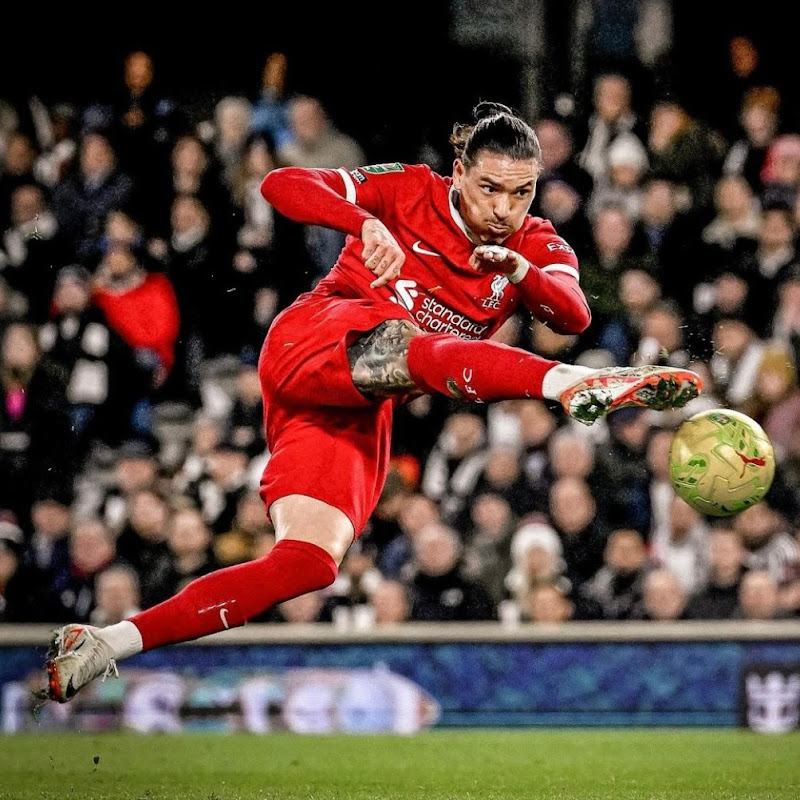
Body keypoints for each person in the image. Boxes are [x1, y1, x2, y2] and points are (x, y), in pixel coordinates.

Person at [42, 101, 702, 703]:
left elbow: (574, 312)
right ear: (458, 173)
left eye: (521, 191)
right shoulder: (409, 188)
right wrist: (363, 222)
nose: (505, 207)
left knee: (307, 564)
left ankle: (106, 643)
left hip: (357, 404)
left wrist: (522, 272)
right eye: (489, 188)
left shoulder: (533, 242)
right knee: (411, 344)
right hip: (316, 338)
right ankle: (565, 384)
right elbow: (282, 185)